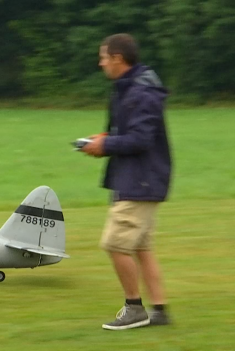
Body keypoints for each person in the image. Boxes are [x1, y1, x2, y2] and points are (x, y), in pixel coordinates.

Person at [80, 33, 173, 330]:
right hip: (137, 177)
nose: (101, 63)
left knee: (115, 244)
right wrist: (104, 139)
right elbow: (127, 131)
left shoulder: (140, 93)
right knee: (141, 247)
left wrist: (105, 147)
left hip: (141, 179)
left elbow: (141, 139)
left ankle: (134, 308)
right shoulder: (129, 88)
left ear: (118, 59)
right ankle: (160, 310)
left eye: (104, 57)